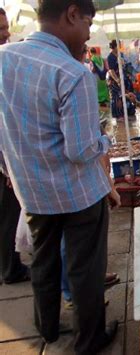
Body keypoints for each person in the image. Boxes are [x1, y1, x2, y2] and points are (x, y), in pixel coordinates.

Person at [0, 1, 121, 353]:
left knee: (44, 260)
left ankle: (49, 329)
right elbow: (80, 150)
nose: (88, 33)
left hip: (32, 191)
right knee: (85, 269)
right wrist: (106, 139)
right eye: (87, 22)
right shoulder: (73, 73)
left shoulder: (4, 59)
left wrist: (10, 170)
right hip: (78, 194)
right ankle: (89, 340)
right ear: (71, 14)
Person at [0, 7, 30, 286]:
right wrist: (8, 168)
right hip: (5, 165)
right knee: (8, 217)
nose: (6, 34)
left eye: (6, 27)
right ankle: (9, 268)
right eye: (0, 30)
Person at [107, 40, 134, 119]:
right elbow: (111, 70)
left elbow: (124, 66)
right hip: (115, 80)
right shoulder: (110, 57)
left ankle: (126, 111)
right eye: (118, 46)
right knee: (117, 97)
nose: (119, 47)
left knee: (125, 95)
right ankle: (118, 115)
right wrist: (117, 80)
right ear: (114, 46)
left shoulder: (120, 54)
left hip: (123, 78)